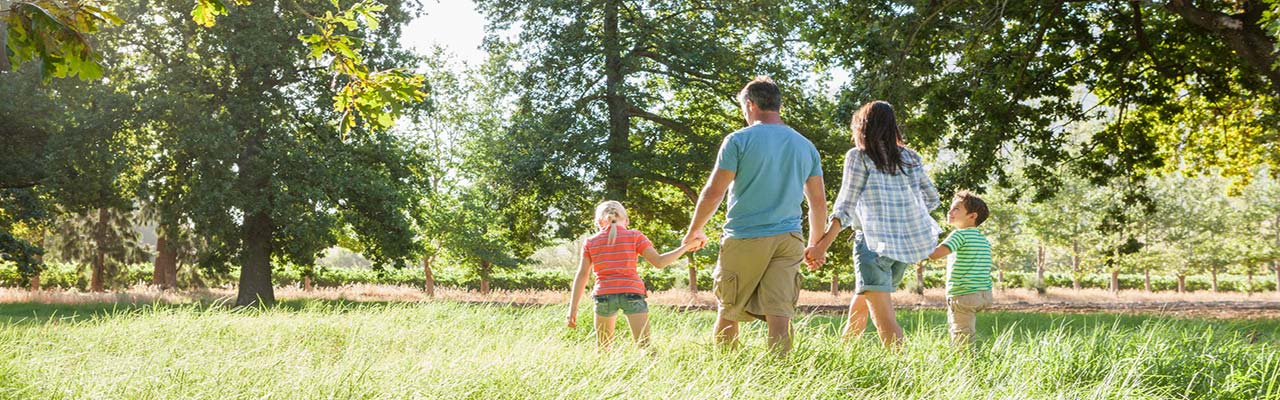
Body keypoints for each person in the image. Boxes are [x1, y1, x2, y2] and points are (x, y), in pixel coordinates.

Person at [682, 76, 827, 356]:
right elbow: (818, 204)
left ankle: (728, 371)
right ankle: (780, 377)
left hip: (746, 236)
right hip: (789, 240)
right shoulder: (805, 145)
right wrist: (814, 244)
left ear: (750, 105)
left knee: (729, 311)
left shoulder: (738, 140)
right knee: (779, 316)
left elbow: (714, 192)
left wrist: (695, 230)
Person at [811, 100, 941, 348]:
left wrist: (821, 246)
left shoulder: (859, 157)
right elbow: (932, 199)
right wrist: (904, 215)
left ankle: (904, 379)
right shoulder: (910, 157)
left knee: (885, 322)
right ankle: (844, 354)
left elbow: (845, 206)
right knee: (864, 302)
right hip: (903, 251)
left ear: (862, 127)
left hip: (873, 246)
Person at [567, 200, 692, 351]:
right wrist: (686, 247)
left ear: (599, 222)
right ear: (626, 220)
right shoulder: (635, 236)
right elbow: (659, 262)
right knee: (644, 347)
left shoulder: (591, 242)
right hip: (632, 293)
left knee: (604, 350)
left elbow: (582, 275)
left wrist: (572, 309)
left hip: (604, 295)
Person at [927, 190, 993, 346]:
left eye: (956, 209)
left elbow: (934, 254)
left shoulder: (959, 235)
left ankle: (965, 366)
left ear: (972, 216)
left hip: (963, 295)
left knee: (961, 336)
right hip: (984, 294)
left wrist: (921, 239)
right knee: (966, 329)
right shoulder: (983, 240)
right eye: (950, 208)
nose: (950, 212)